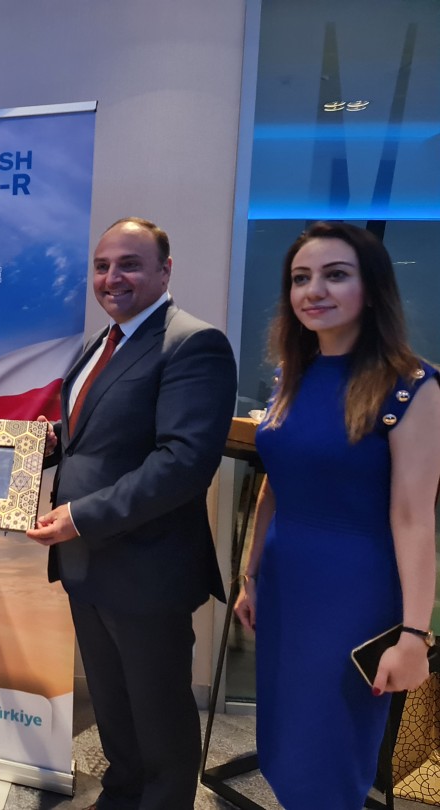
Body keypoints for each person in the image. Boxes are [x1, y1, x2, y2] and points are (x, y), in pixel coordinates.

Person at [27, 217, 238, 809]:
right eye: (102, 266)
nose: (111, 278)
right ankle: (120, 795)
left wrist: (80, 516)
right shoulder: (102, 342)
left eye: (129, 265)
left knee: (159, 716)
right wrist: (42, 443)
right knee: (114, 708)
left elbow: (183, 463)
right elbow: (92, 437)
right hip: (88, 563)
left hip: (148, 569)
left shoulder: (194, 344)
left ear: (165, 271)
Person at [232, 222, 440, 809]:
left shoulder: (411, 387)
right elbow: (274, 485)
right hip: (285, 584)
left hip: (354, 593)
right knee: (282, 743)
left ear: (371, 289)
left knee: (329, 753)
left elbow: (414, 518)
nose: (314, 290)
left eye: (336, 275)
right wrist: (251, 575)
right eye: (301, 278)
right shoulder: (290, 376)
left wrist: (415, 635)